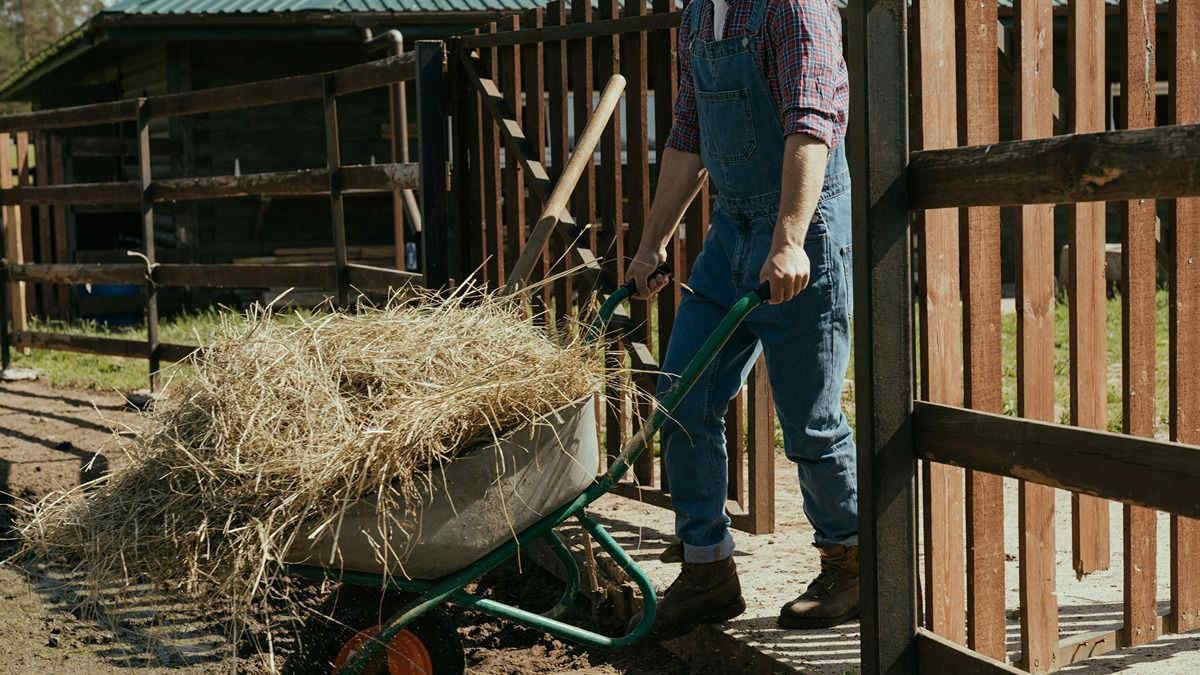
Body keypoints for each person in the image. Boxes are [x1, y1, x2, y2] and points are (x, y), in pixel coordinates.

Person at [625, 0, 856, 639]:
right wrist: (652, 244)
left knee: (809, 420)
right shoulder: (699, 14)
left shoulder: (795, 7)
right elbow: (687, 134)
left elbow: (812, 124)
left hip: (803, 226)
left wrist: (789, 240)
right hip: (732, 229)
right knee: (681, 400)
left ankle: (850, 560)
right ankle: (707, 569)